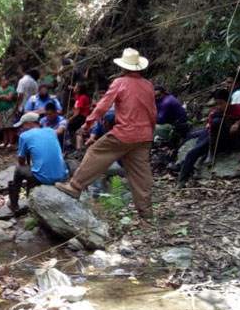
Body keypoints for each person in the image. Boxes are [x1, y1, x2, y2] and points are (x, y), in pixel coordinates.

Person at [55, 48, 157, 221]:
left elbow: (103, 105)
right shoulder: (148, 85)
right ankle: (146, 213)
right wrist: (150, 130)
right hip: (144, 135)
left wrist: (89, 122)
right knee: (141, 174)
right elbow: (153, 112)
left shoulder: (120, 82)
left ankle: (75, 186)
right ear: (139, 67)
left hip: (124, 133)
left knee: (96, 152)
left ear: (124, 67)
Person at [175, 89, 240, 189]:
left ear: (228, 102)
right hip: (212, 139)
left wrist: (238, 123)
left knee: (218, 122)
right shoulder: (214, 112)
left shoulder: (236, 108)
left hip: (230, 138)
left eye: (221, 103)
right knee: (193, 152)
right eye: (216, 104)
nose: (218, 106)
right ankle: (182, 180)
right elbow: (209, 130)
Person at [8, 113, 68, 211]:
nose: (21, 129)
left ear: (28, 124)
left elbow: (21, 160)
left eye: (22, 126)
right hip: (62, 175)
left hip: (45, 178)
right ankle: (30, 195)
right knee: (36, 167)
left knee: (19, 168)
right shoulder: (51, 131)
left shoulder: (25, 135)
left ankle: (14, 204)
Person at [0, 75, 18, 147]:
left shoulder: (11, 88)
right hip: (0, 109)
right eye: (1, 80)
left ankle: (11, 142)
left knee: (9, 126)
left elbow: (9, 98)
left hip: (9, 109)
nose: (3, 82)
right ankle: (5, 141)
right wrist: (3, 96)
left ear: (7, 81)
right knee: (3, 126)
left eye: (4, 80)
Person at [67, 82, 90, 147]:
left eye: (75, 87)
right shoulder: (77, 97)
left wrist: (70, 119)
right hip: (78, 116)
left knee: (69, 125)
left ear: (79, 89)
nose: (74, 87)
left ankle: (70, 144)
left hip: (82, 117)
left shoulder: (83, 97)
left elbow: (78, 112)